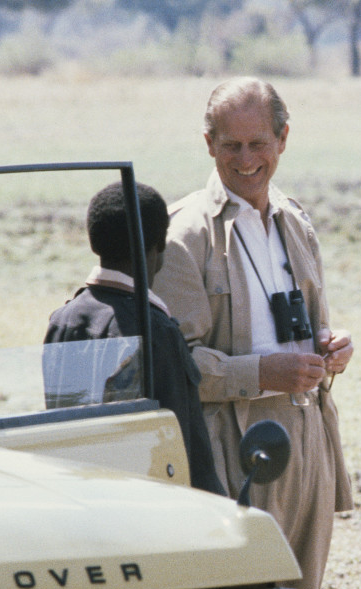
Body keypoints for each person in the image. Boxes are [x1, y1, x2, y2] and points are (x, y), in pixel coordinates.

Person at [156, 77, 354, 589]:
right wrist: (258, 374)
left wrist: (333, 347)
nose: (246, 161)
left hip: (307, 435)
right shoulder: (184, 233)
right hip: (234, 448)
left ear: (284, 139)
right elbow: (174, 367)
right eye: (230, 147)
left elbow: (311, 323)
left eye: (258, 144)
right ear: (208, 145)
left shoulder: (294, 220)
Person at [43, 181, 225, 496]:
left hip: (80, 497)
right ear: (160, 247)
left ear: (93, 242)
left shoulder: (63, 320)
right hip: (146, 504)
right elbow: (182, 446)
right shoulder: (156, 330)